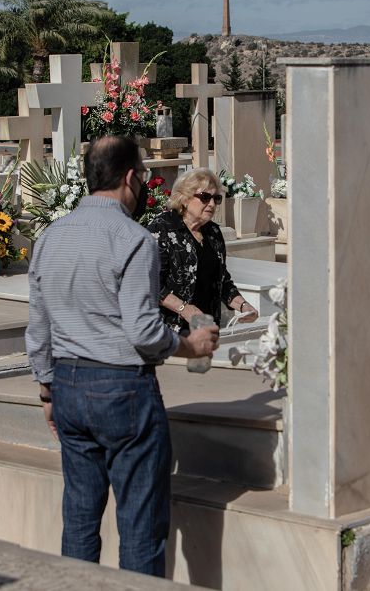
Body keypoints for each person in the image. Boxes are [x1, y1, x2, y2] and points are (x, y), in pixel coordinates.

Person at [25, 135, 219, 577]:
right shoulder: (133, 238)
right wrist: (190, 345)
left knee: (78, 520)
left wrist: (46, 389)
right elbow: (142, 330)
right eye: (146, 176)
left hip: (68, 386)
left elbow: (38, 327)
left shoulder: (50, 237)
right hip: (123, 390)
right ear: (131, 178)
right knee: (140, 526)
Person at [146, 168, 259, 331]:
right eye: (205, 197)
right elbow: (151, 283)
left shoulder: (212, 232)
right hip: (170, 331)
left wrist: (243, 306)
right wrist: (185, 310)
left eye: (216, 198)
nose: (212, 204)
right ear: (184, 198)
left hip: (207, 327)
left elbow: (222, 280)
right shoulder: (161, 229)